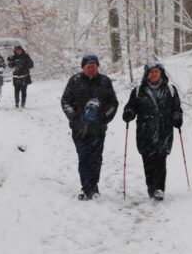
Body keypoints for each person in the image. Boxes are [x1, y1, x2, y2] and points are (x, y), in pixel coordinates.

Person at [121, 59, 183, 201]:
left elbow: (177, 108)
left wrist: (177, 117)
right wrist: (128, 113)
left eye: (156, 71)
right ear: (146, 74)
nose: (154, 74)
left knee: (161, 160)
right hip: (145, 132)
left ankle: (159, 189)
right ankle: (151, 188)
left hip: (164, 131)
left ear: (161, 73)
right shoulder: (138, 91)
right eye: (151, 72)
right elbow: (130, 107)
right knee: (148, 162)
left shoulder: (170, 90)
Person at [61, 53, 118, 200]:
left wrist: (105, 118)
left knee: (96, 158)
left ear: (98, 67)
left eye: (94, 66)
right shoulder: (74, 81)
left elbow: (113, 103)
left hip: (98, 129)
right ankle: (86, 188)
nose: (91, 69)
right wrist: (74, 118)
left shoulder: (105, 81)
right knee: (84, 157)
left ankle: (94, 185)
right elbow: (65, 102)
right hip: (80, 129)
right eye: (88, 66)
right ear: (83, 68)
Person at [6, 44, 34, 108]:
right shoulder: (13, 57)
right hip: (16, 76)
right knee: (16, 91)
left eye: (19, 50)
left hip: (24, 76)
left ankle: (23, 104)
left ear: (22, 50)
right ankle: (16, 104)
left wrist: (25, 65)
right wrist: (9, 61)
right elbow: (11, 66)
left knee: (24, 91)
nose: (18, 51)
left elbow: (31, 65)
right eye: (17, 50)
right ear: (15, 51)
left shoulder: (26, 56)